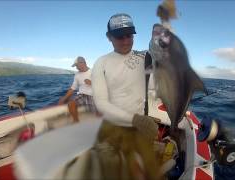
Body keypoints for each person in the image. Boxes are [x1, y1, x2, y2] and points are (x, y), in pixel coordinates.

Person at [91, 13, 161, 180]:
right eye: (119, 37)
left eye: (129, 35)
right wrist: (135, 119)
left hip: (140, 128)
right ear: (109, 37)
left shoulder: (144, 58)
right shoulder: (101, 62)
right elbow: (101, 103)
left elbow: (157, 75)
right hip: (111, 127)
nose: (125, 41)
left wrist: (159, 40)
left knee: (150, 173)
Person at [58, 56, 97, 123]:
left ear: (83, 63)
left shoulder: (94, 72)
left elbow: (103, 85)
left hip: (93, 96)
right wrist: (64, 98)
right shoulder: (77, 74)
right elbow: (72, 88)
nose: (76, 68)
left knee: (100, 113)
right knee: (71, 104)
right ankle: (76, 121)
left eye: (77, 65)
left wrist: (92, 83)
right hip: (81, 95)